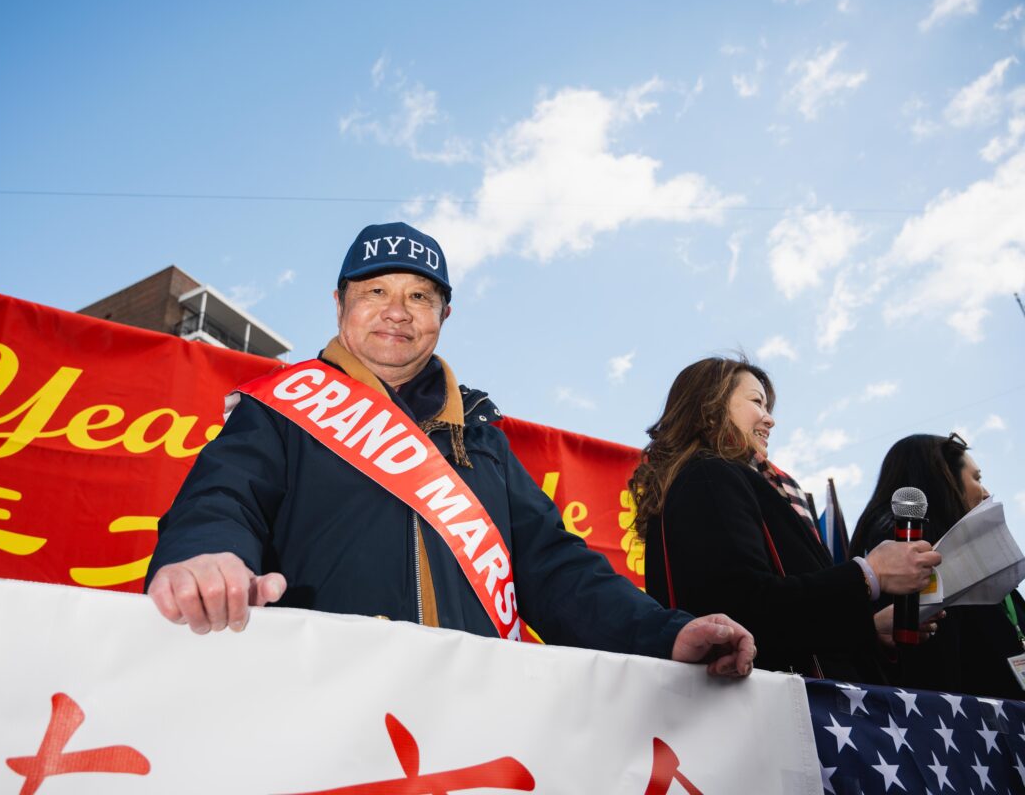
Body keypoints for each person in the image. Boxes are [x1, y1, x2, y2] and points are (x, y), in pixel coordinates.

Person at [145, 221, 756, 677]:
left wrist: (665, 634)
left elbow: (558, 569)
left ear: (445, 313)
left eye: (419, 297)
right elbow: (224, 497)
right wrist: (206, 556)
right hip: (320, 697)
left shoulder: (483, 439)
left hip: (472, 713)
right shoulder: (281, 408)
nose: (396, 313)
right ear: (340, 305)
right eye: (375, 291)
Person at [632, 356, 940, 681]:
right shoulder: (709, 476)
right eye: (756, 402)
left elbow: (784, 621)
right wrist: (869, 573)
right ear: (710, 408)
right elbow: (743, 610)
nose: (770, 420)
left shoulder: (738, 481)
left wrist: (869, 628)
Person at [851, 433, 1024, 698]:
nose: (987, 492)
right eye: (977, 478)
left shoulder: (980, 559)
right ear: (941, 478)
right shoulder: (907, 546)